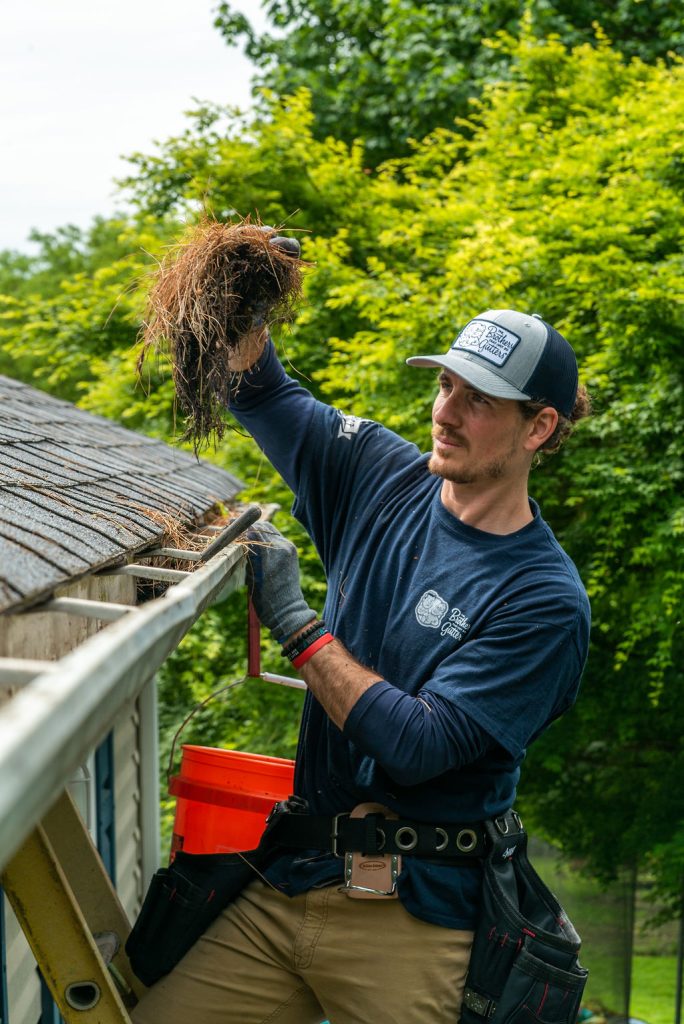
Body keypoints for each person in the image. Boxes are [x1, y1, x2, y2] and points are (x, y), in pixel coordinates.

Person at [132, 296, 591, 1023]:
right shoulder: (380, 475)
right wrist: (241, 309)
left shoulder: (543, 601)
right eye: (445, 386)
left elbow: (416, 745)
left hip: (415, 919)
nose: (445, 412)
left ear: (538, 427)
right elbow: (266, 394)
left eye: (479, 401)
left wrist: (295, 623)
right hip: (291, 879)